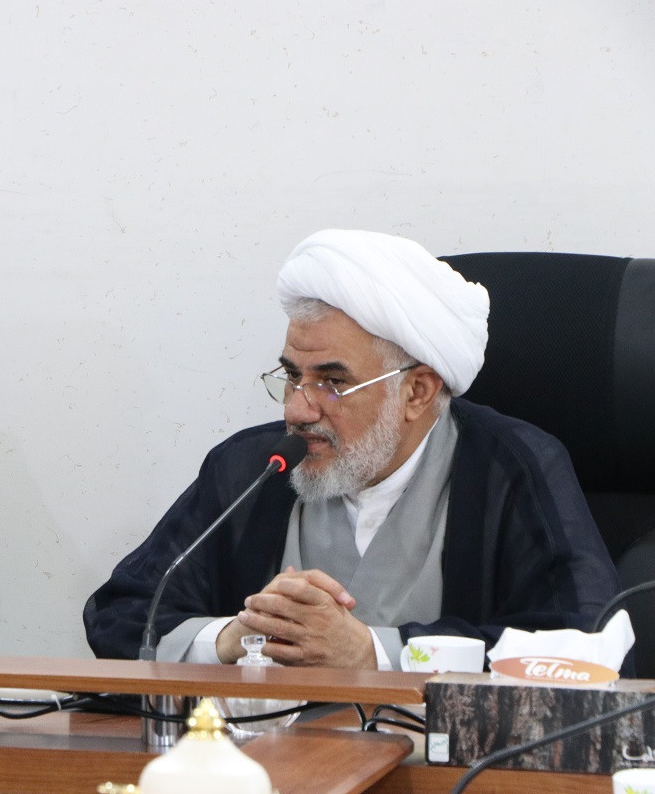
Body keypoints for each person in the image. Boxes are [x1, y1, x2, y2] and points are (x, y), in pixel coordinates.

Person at [84, 229, 621, 670]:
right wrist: (235, 636)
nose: (299, 409)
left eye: (333, 382)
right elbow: (120, 614)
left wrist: (373, 653)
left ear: (417, 392)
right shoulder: (251, 467)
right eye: (292, 376)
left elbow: (587, 644)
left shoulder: (512, 467)